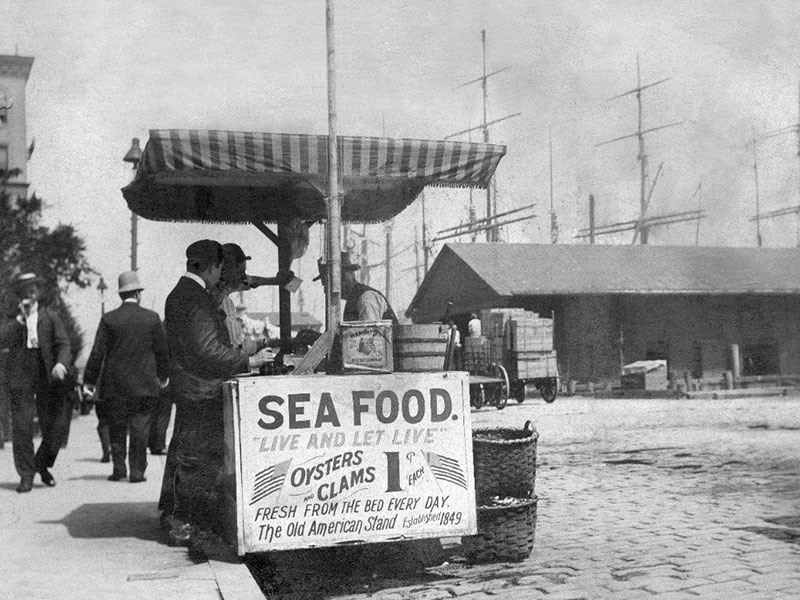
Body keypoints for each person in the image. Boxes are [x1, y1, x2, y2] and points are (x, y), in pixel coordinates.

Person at [159, 239, 272, 546]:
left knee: (187, 454)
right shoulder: (196, 299)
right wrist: (248, 359)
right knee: (198, 459)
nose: (221, 274)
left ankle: (175, 517)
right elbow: (207, 350)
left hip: (188, 387)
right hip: (201, 389)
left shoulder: (179, 294)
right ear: (211, 267)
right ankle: (184, 525)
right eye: (220, 267)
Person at [83, 271, 170, 483]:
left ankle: (119, 470)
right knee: (141, 428)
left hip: (115, 385)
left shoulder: (109, 319)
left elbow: (97, 353)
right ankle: (138, 471)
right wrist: (164, 375)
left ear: (121, 295)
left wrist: (89, 381)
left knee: (117, 426)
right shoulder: (151, 318)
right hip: (144, 385)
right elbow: (162, 351)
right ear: (138, 294)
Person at [0, 272, 71, 493]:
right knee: (22, 426)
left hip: (46, 375)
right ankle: (26, 475)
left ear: (38, 292)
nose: (30, 294)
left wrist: (61, 364)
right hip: (21, 375)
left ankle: (42, 463)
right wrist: (19, 322)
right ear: (20, 294)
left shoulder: (49, 316)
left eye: (33, 289)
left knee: (56, 426)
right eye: (25, 290)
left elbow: (64, 344)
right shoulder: (13, 320)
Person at [314, 251, 398, 323]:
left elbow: (368, 338)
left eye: (327, 284)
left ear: (346, 276)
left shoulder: (366, 299)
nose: (325, 290)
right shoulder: (353, 301)